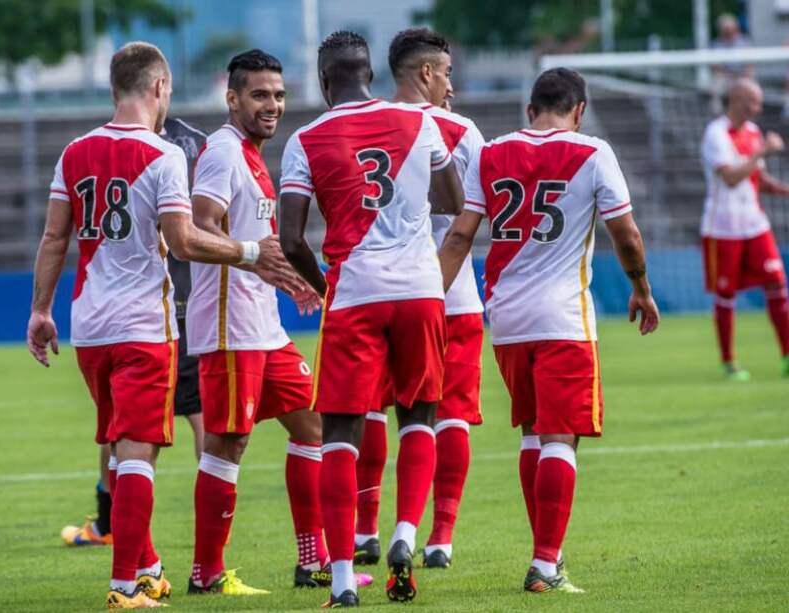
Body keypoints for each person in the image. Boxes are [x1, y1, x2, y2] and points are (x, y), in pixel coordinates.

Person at [26, 41, 288, 609]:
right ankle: (126, 586)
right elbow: (183, 240)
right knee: (139, 453)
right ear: (159, 88)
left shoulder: (74, 151)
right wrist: (250, 252)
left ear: (114, 88)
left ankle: (147, 566)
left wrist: (41, 310)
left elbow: (53, 237)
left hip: (89, 325)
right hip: (144, 325)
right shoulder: (164, 155)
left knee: (121, 450)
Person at [439, 67, 660, 593]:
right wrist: (641, 288)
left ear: (529, 108)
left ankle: (548, 555)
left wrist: (432, 301)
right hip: (563, 317)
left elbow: (460, 236)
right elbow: (626, 234)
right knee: (561, 436)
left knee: (533, 433)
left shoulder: (491, 153)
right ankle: (544, 564)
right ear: (579, 110)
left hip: (506, 317)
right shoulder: (592, 152)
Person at [279, 30, 464, 607]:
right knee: (420, 414)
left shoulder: (305, 139)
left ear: (323, 81)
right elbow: (453, 199)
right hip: (420, 289)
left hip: (355, 291)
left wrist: (324, 286)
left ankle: (341, 581)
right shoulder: (419, 121)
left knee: (340, 433)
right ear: (371, 75)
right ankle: (406, 534)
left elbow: (290, 240)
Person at [184, 49, 368, 597]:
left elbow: (259, 244)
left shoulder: (255, 156)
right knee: (227, 443)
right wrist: (250, 257)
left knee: (313, 426)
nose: (273, 105)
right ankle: (206, 573)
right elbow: (198, 227)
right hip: (229, 326)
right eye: (260, 95)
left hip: (263, 325)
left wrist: (290, 278)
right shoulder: (222, 152)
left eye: (280, 95)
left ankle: (313, 560)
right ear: (232, 98)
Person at [59, 117, 208, 549]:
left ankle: (110, 524)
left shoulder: (105, 146)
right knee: (199, 410)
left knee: (121, 426)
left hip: (138, 303)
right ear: (160, 87)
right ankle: (210, 532)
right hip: (184, 295)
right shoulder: (196, 143)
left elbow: (57, 235)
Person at [385, 27, 486, 570]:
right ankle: (441, 537)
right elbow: (478, 212)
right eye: (446, 73)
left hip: (385, 292)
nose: (451, 84)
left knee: (375, 410)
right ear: (427, 73)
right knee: (452, 414)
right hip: (454, 293)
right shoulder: (464, 131)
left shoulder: (370, 123)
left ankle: (366, 530)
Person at [700, 78, 789, 380]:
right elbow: (730, 178)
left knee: (777, 284)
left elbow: (757, 180)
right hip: (723, 228)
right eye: (754, 101)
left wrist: (783, 189)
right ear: (737, 99)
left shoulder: (753, 132)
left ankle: (787, 355)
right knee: (726, 294)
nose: (759, 108)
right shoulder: (716, 133)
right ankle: (728, 361)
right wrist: (762, 152)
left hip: (755, 223)